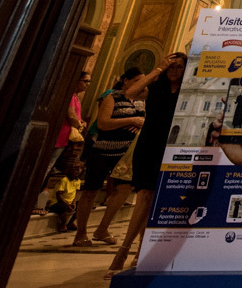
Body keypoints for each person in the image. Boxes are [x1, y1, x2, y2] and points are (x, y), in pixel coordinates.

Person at [71, 58, 172, 246]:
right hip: (103, 150)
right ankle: (81, 233)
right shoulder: (113, 96)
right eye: (136, 81)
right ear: (126, 80)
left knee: (124, 190)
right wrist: (131, 120)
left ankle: (102, 229)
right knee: (90, 191)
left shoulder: (143, 100)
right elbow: (103, 123)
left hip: (127, 153)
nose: (140, 86)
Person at [107, 53, 188, 276]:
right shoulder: (154, 87)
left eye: (179, 67)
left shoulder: (187, 89)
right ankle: (123, 251)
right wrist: (157, 70)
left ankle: (141, 251)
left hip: (172, 146)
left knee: (156, 199)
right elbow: (128, 94)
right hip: (149, 144)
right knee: (144, 195)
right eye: (171, 66)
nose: (174, 70)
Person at [32, 71, 91, 215]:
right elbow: (71, 116)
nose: (87, 84)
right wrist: (79, 125)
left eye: (89, 82)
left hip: (66, 137)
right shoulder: (69, 95)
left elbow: (76, 117)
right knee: (45, 168)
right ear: (76, 81)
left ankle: (36, 200)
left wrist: (80, 121)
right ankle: (33, 201)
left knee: (49, 168)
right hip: (60, 135)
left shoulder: (75, 97)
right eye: (85, 81)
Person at [48, 160, 84, 233]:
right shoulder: (64, 180)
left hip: (69, 202)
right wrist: (67, 204)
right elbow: (59, 195)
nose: (78, 170)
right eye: (76, 168)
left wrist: (73, 202)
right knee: (64, 208)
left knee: (82, 206)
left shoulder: (78, 181)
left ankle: (70, 222)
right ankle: (63, 223)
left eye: (80, 168)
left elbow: (76, 193)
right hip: (58, 202)